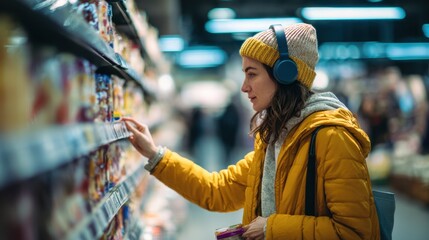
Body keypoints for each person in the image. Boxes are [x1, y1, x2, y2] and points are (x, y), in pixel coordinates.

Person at [122, 23, 380, 240]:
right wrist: (155, 155)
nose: (244, 87)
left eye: (252, 74)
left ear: (285, 75)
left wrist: (271, 228)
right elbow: (217, 191)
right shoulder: (273, 142)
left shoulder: (333, 139)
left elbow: (356, 232)